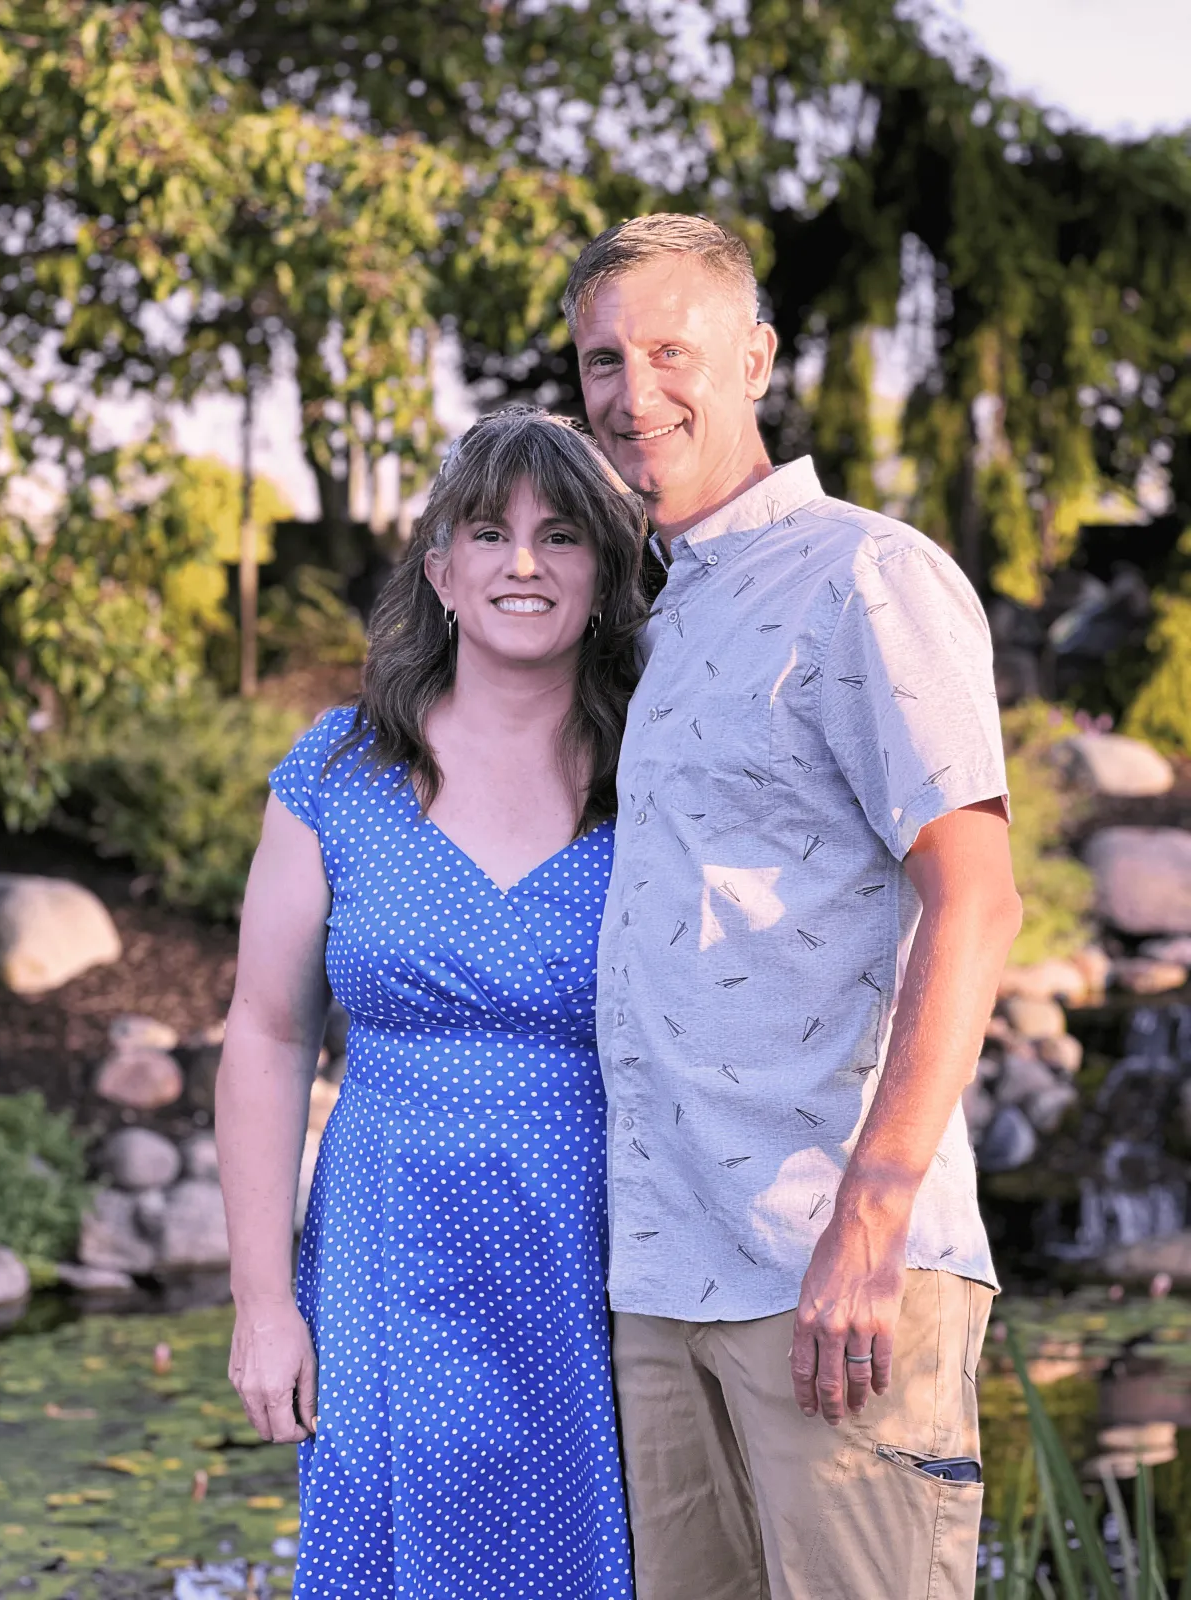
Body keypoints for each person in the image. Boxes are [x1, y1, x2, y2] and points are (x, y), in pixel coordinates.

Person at [567, 213, 1023, 1599]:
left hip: (832, 1269)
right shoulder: (655, 616)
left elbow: (978, 899)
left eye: (671, 350)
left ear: (756, 358)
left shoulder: (866, 575)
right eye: (602, 361)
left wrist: (872, 1216)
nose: (634, 392)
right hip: (665, 1283)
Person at [215, 409, 647, 1600]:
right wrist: (261, 1302)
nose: (524, 563)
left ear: (603, 577)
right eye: (489, 533)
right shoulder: (337, 770)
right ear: (442, 571)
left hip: (597, 1257)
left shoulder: (655, 776)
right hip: (380, 1252)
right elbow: (266, 1033)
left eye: (561, 535)